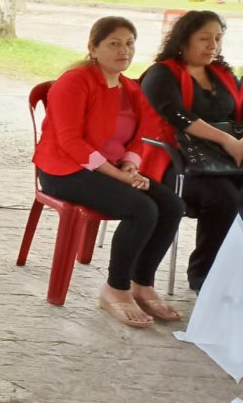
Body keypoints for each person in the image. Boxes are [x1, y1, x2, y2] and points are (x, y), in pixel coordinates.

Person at [34, 17, 184, 327]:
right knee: (141, 209)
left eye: (129, 43)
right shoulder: (75, 81)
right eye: (114, 43)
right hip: (64, 170)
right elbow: (70, 141)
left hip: (110, 169)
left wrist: (130, 164)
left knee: (172, 205)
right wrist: (120, 177)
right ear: (93, 48)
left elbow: (141, 133)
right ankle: (115, 289)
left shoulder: (129, 87)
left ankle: (142, 283)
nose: (123, 50)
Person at [140, 10, 243, 292]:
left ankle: (232, 271)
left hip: (225, 160)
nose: (213, 45)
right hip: (176, 163)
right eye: (204, 38)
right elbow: (176, 116)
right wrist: (226, 140)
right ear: (184, 40)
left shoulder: (223, 74)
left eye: (218, 39)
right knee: (224, 198)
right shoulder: (161, 73)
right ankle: (205, 277)